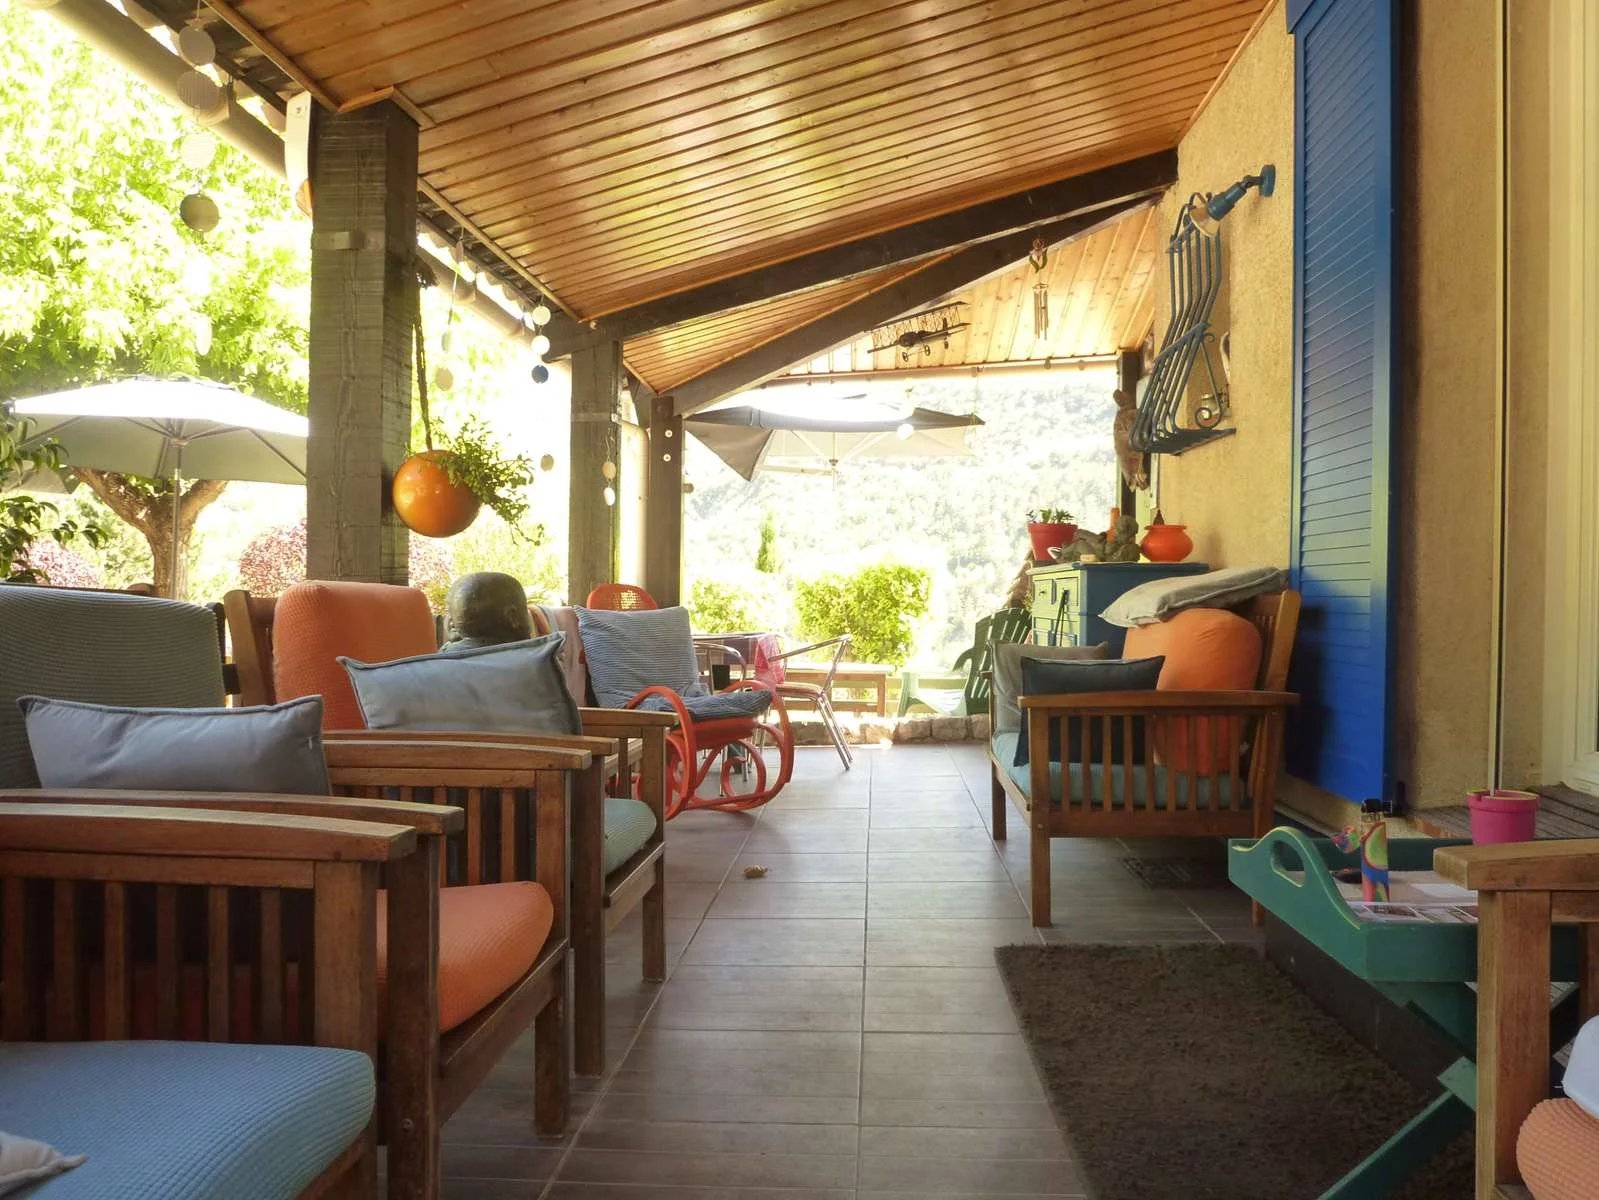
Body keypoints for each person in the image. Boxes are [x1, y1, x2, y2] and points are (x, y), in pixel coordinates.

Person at [441, 571, 533, 650]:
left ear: (452, 625)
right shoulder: (538, 659)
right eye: (525, 609)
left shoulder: (438, 661)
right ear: (512, 617)